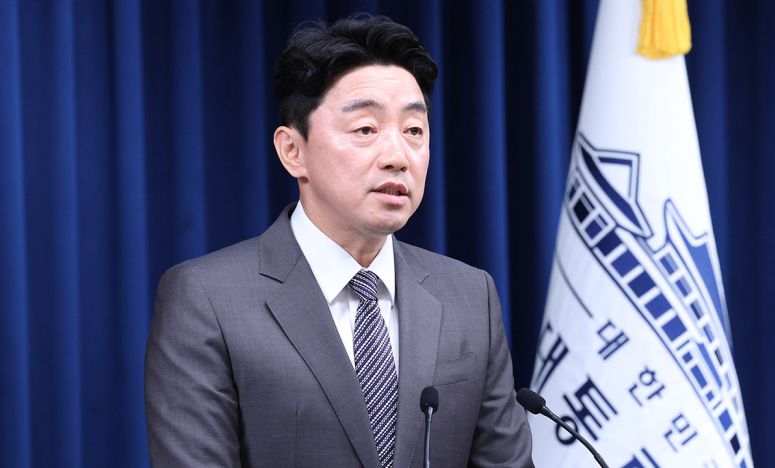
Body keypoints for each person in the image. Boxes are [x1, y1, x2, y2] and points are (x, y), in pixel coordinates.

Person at [144, 13, 534, 467]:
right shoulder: (207, 300)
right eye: (366, 129)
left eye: (414, 131)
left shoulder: (469, 295)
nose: (397, 157)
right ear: (293, 151)